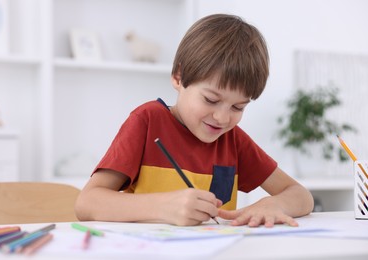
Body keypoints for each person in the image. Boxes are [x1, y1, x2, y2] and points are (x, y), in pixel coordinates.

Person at [75, 14, 314, 227]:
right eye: (210, 100)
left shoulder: (233, 140)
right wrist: (162, 207)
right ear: (179, 77)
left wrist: (272, 205)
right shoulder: (147, 121)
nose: (222, 117)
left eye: (238, 107)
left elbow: (300, 195)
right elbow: (87, 203)